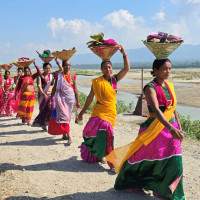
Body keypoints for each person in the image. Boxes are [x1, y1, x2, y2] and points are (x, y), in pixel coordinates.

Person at [106, 58, 185, 200]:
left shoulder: (169, 86)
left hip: (171, 127)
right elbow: (156, 109)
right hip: (155, 129)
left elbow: (173, 108)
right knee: (144, 157)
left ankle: (167, 192)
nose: (168, 71)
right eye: (164, 68)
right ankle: (132, 181)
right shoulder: (150, 87)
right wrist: (171, 129)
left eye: (170, 68)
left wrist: (178, 126)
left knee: (175, 161)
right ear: (155, 70)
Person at [78, 45, 130, 170]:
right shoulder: (97, 82)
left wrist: (124, 53)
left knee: (106, 134)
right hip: (99, 112)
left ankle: (108, 159)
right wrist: (82, 112)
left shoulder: (115, 80)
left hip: (111, 113)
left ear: (112, 69)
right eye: (105, 67)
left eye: (109, 67)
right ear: (101, 69)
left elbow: (126, 68)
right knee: (94, 133)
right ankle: (102, 157)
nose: (107, 69)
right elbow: (90, 98)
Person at [48, 58, 80, 144]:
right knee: (64, 116)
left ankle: (64, 134)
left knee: (67, 117)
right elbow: (54, 87)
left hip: (70, 100)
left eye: (69, 65)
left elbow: (75, 89)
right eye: (66, 65)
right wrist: (51, 98)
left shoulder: (73, 76)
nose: (68, 67)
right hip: (60, 100)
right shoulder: (59, 76)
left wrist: (78, 101)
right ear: (63, 66)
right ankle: (69, 136)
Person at [32, 62, 58, 131]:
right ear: (43, 68)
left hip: (51, 95)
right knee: (43, 110)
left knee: (52, 109)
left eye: (49, 68)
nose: (48, 69)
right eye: (46, 68)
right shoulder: (40, 76)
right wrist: (44, 94)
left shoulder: (52, 76)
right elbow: (39, 86)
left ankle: (48, 123)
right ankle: (43, 124)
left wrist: (57, 62)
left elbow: (53, 85)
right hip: (42, 96)